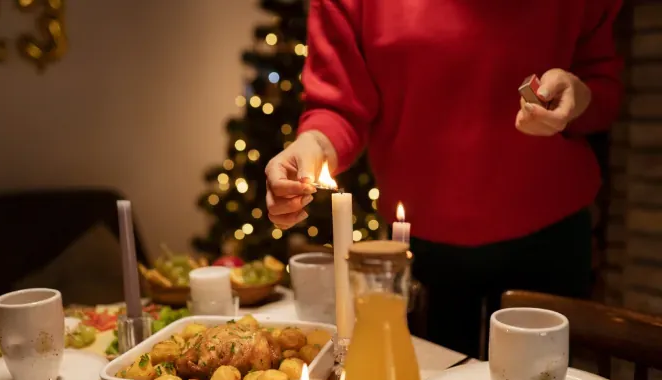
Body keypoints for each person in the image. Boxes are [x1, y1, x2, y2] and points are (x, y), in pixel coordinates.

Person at [265, 0, 623, 358]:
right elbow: (339, 105)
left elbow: (604, 90)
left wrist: (579, 98)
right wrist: (312, 146)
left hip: (550, 238)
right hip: (422, 251)